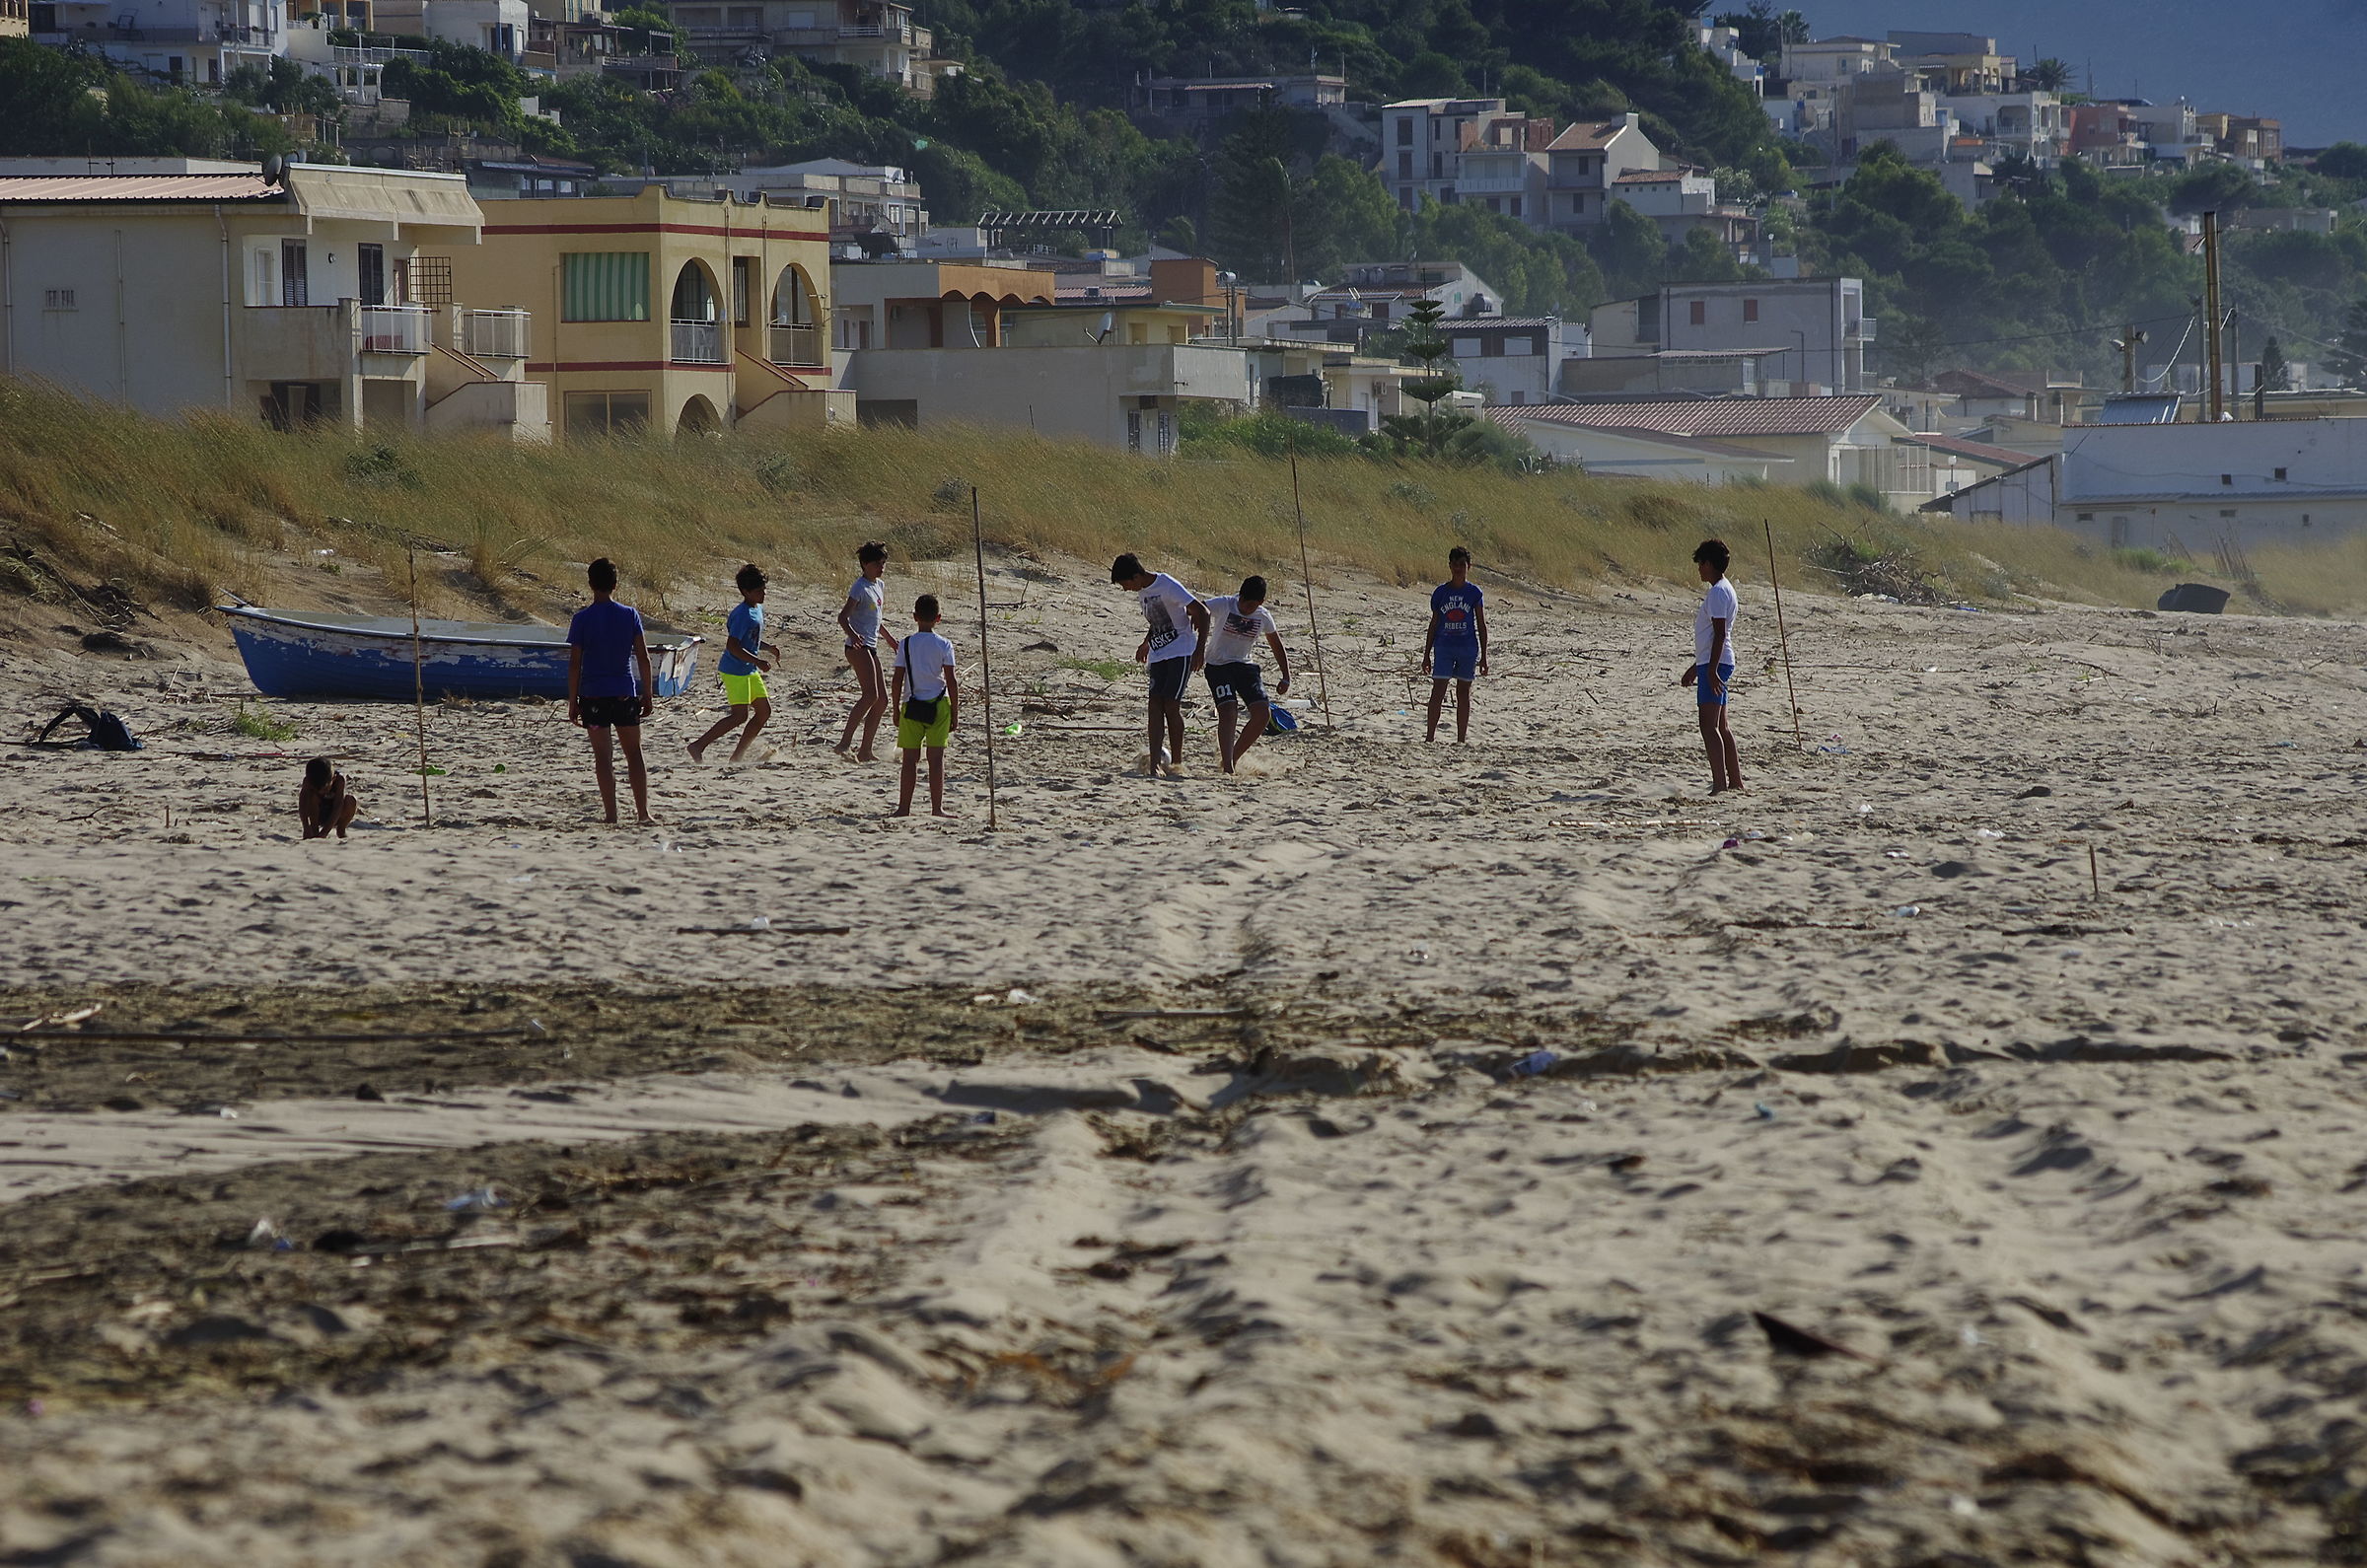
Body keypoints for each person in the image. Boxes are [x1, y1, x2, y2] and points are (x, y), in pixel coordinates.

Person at [565, 556, 657, 824]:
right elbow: (643, 657)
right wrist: (648, 694)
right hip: (623, 695)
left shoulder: (582, 619)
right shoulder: (629, 615)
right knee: (634, 755)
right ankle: (643, 813)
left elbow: (574, 664)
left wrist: (573, 701)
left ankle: (611, 815)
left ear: (591, 584)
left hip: (593, 698)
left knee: (603, 757)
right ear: (615, 584)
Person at [1112, 552, 1209, 777]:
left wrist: (1200, 650)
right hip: (1159, 653)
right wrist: (1146, 643)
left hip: (1181, 650)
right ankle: (1155, 763)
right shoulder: (1143, 591)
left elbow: (1202, 612)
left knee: (1171, 705)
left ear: (1136, 576)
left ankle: (1176, 761)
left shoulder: (1167, 585)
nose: (1126, 589)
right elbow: (1158, 620)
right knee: (1154, 705)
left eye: (1126, 584)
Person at [688, 562, 780, 765]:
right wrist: (757, 660)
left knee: (764, 712)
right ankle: (698, 746)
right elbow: (733, 645)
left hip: (748, 669)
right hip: (735, 670)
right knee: (739, 716)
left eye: (764, 589)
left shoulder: (757, 608)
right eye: (758, 591)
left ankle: (737, 756)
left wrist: (768, 648)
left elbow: (751, 640)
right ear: (745, 591)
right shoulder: (742, 614)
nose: (763, 594)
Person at [1199, 574, 1291, 774]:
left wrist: (1286, 675)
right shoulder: (1225, 604)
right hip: (1218, 665)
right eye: (1243, 602)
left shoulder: (1263, 616)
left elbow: (1276, 644)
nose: (1246, 608)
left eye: (1251, 606)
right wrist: (1194, 646)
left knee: (1262, 714)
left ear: (1260, 603)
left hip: (1245, 666)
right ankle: (1229, 767)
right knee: (1228, 711)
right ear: (1239, 596)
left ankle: (1231, 758)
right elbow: (1198, 609)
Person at [1682, 537, 1745, 794]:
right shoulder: (1723, 589)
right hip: (1714, 662)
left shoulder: (1719, 592)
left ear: (1709, 563)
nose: (1699, 568)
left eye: (1701, 563)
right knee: (1721, 726)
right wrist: (1696, 666)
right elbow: (1712, 638)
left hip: (1717, 664)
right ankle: (1735, 782)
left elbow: (1719, 634)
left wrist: (1710, 670)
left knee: (1708, 727)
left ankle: (1720, 784)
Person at [890, 593, 959, 818]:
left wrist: (895, 708)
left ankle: (904, 808)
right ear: (938, 618)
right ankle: (937, 808)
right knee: (936, 759)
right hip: (939, 705)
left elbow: (897, 678)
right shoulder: (944, 644)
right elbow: (951, 680)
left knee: (909, 760)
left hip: (912, 704)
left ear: (914, 616)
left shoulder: (906, 643)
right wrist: (955, 712)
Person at [834, 540, 898, 762]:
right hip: (856, 647)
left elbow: (876, 620)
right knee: (870, 695)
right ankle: (844, 744)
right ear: (864, 564)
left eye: (883, 564)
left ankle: (865, 750)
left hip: (870, 646)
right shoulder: (859, 587)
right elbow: (843, 617)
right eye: (876, 564)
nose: (881, 568)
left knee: (882, 701)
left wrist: (889, 639)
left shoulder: (879, 585)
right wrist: (853, 635)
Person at [1423, 545, 1489, 744]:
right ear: (1449, 566)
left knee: (1463, 692)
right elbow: (1434, 624)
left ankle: (1461, 739)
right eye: (1455, 565)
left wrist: (1484, 656)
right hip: (1444, 647)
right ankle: (1429, 738)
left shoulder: (1474, 593)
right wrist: (1426, 654)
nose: (1458, 569)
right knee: (1438, 690)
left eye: (1462, 565)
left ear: (1469, 566)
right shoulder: (1441, 593)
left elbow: (1481, 624)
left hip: (1467, 648)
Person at [298, 757, 358, 839]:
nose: (321, 792)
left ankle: (341, 830)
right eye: (317, 790)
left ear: (333, 779)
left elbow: (338, 807)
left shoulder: (339, 781)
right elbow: (302, 804)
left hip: (334, 814)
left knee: (351, 800)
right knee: (313, 797)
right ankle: (314, 830)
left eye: (325, 789)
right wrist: (305, 827)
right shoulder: (308, 782)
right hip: (316, 813)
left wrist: (324, 832)